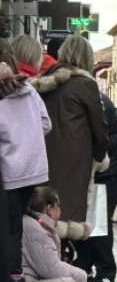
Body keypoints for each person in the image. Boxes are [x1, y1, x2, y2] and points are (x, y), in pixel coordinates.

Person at [30, 36, 108, 242]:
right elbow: (100, 127)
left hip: (44, 154)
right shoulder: (85, 84)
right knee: (69, 212)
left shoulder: (45, 80)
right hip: (75, 157)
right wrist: (100, 157)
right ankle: (63, 253)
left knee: (46, 207)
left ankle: (46, 250)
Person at [0, 56, 51, 282]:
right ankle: (17, 271)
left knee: (8, 225)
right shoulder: (30, 91)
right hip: (32, 168)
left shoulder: (2, 97)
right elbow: (46, 124)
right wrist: (28, 136)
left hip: (8, 168)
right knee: (16, 222)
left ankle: (12, 271)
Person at [73, 94, 117, 282]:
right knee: (87, 214)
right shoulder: (81, 92)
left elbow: (99, 136)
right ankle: (85, 263)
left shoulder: (89, 95)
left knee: (99, 216)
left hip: (111, 163)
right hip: (100, 163)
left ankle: (105, 270)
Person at [21, 187, 88, 282]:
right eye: (57, 206)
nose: (60, 210)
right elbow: (51, 269)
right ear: (49, 209)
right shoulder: (37, 231)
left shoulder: (31, 223)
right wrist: (81, 275)